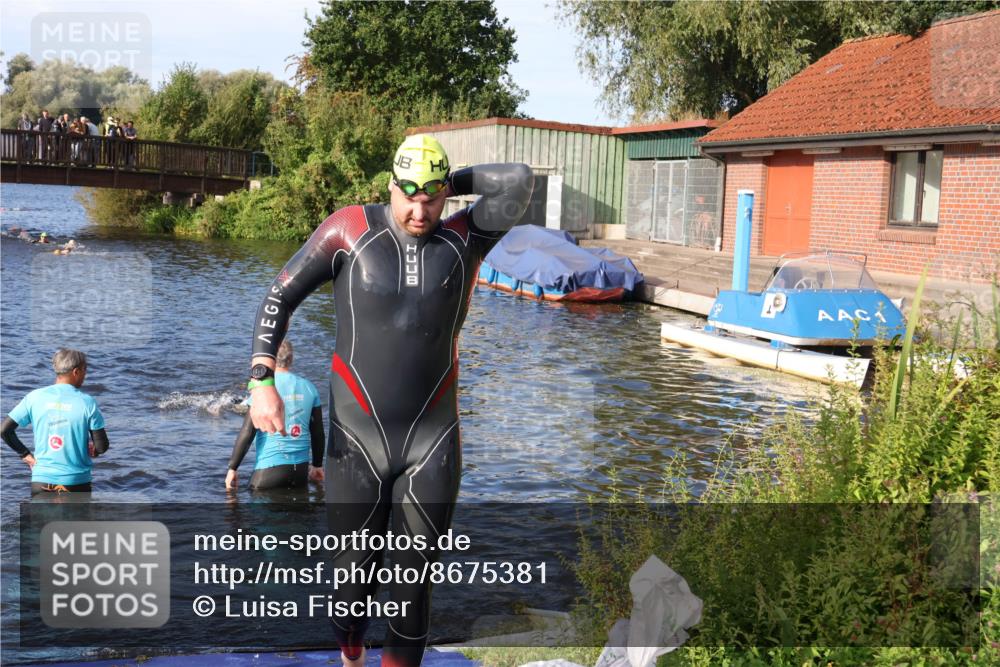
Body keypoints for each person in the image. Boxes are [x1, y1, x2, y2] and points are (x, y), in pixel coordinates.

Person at [247, 134, 533, 667]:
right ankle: (351, 657)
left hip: (433, 439)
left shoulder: (464, 240)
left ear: (446, 194)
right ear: (390, 186)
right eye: (409, 195)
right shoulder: (349, 230)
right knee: (351, 585)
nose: (420, 209)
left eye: (432, 197)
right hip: (357, 440)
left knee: (412, 586)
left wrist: (454, 180)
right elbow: (279, 294)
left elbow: (519, 180)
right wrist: (261, 379)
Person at [1, 349, 109, 495]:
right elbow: (102, 447)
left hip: (41, 480)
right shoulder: (87, 402)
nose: (85, 375)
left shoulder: (34, 397)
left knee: (42, 519)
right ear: (76, 371)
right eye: (85, 370)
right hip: (76, 482)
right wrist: (94, 450)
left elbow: (4, 430)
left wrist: (25, 454)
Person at [226, 340, 325, 491]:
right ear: (291, 359)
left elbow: (247, 432)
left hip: (269, 471)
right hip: (300, 472)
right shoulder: (309, 387)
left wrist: (232, 468)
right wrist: (317, 466)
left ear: (270, 359)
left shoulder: (264, 389)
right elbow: (318, 433)